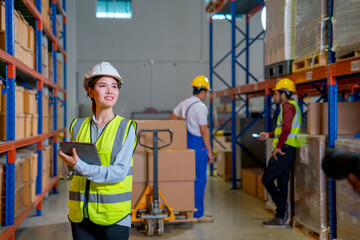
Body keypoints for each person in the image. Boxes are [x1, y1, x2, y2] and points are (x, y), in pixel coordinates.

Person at [59, 62, 137, 240]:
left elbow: (119, 172)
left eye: (114, 86)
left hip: (113, 216)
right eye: (103, 86)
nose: (110, 91)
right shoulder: (77, 126)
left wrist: (79, 165)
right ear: (90, 91)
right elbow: (68, 174)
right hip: (80, 214)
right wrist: (68, 167)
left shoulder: (126, 128)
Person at [257, 78, 302, 228]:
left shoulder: (288, 107)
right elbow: (282, 129)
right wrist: (269, 135)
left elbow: (287, 128)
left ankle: (281, 209)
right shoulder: (289, 107)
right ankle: (280, 217)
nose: (274, 97)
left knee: (267, 179)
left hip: (284, 150)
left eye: (276, 94)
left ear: (284, 94)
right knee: (282, 183)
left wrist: (278, 147)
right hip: (287, 149)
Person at [169, 75, 214, 223]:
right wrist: (209, 151)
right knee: (200, 179)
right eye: (206, 91)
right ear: (202, 91)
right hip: (198, 144)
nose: (207, 95)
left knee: (186, 178)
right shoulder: (200, 107)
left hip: (186, 143)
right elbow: (204, 131)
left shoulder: (185, 103)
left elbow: (172, 119)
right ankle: (197, 213)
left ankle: (185, 208)